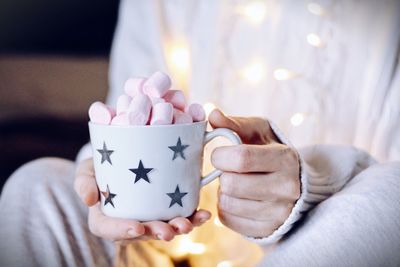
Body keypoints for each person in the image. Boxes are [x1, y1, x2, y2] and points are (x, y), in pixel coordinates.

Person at [1, 1, 400, 266]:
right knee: (38, 184)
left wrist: (311, 184)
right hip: (171, 245)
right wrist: (99, 180)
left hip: (325, 247)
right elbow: (126, 115)